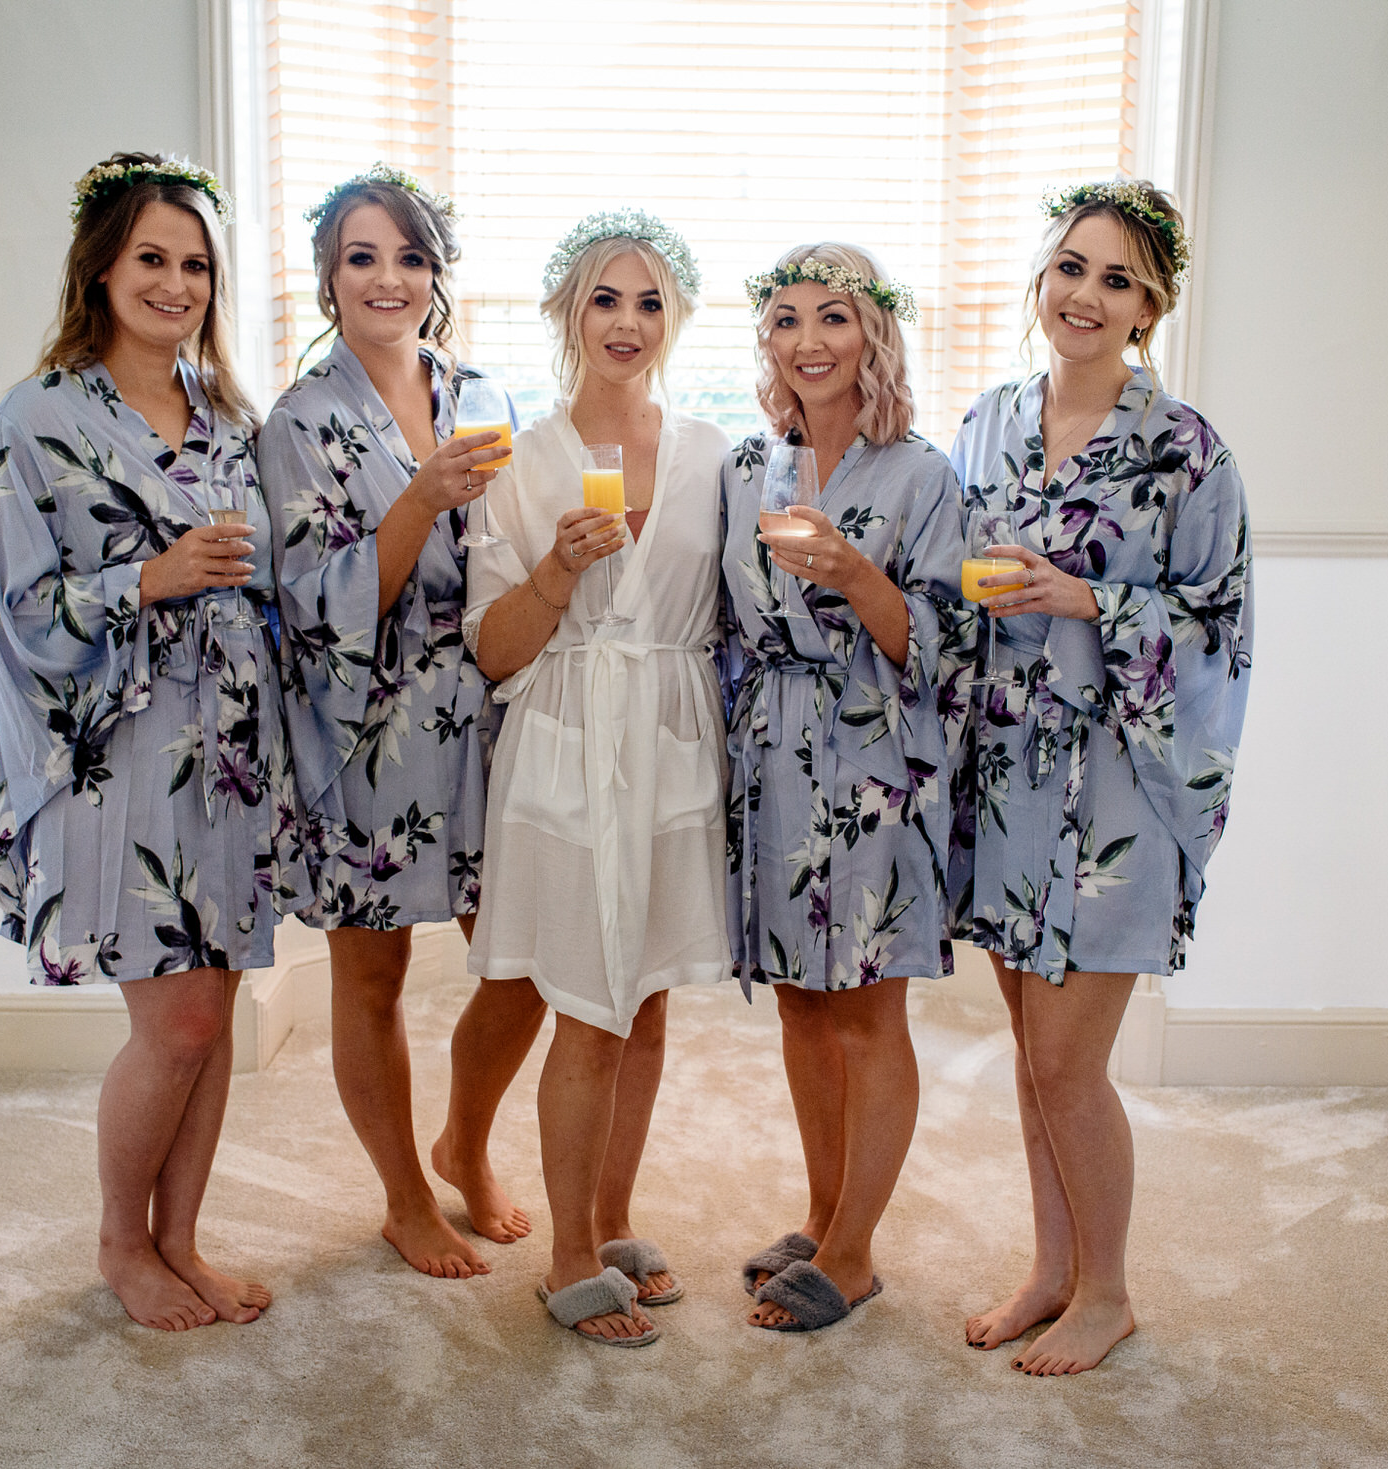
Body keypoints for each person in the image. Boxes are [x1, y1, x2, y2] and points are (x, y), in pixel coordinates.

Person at [0, 152, 292, 1331]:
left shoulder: (228, 418)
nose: (176, 283)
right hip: (122, 748)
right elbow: (7, 611)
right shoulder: (35, 420)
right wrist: (144, 579)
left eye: (195, 264)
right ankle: (119, 1243)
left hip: (233, 751)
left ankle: (181, 1238)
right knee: (178, 1019)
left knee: (216, 1012)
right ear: (100, 267)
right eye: (152, 257)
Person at [948, 179, 1252, 1375]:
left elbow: (1219, 624)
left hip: (1120, 781)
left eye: (1117, 279)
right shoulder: (986, 422)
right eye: (1072, 266)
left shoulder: (1187, 450)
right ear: (1042, 279)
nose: (1086, 294)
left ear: (1150, 308)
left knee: (1071, 1061)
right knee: (1032, 1055)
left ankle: (1109, 1289)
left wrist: (1089, 598)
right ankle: (1051, 1267)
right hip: (1003, 770)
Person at [256, 165, 543, 1278]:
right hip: (362, 727)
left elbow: (516, 551)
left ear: (436, 275)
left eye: (410, 257)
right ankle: (402, 1195)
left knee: (522, 960)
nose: (389, 278)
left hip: (488, 717)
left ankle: (465, 1138)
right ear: (328, 278)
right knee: (368, 976)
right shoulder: (298, 421)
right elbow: (320, 605)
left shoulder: (486, 395)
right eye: (363, 257)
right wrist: (417, 496)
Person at [466, 211, 731, 1346]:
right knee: (581, 1000)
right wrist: (557, 571)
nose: (627, 322)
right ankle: (567, 1251)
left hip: (670, 733)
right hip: (569, 732)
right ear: (567, 311)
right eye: (604, 299)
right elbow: (492, 648)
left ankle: (611, 1211)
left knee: (649, 992)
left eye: (650, 301)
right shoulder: (515, 461)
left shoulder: (715, 454)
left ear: (674, 320)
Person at [721, 244, 972, 1333]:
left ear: (874, 334)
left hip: (876, 757)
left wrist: (858, 576)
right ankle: (824, 1217)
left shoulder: (920, 474)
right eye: (785, 319)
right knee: (800, 1000)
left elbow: (949, 646)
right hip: (772, 756)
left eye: (834, 317)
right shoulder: (747, 467)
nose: (809, 339)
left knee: (867, 1008)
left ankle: (859, 1249)